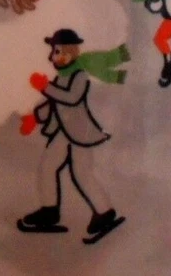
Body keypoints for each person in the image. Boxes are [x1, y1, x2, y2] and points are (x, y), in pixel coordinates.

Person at [17, 29, 129, 244]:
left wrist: (45, 87)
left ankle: (104, 212)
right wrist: (35, 117)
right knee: (48, 166)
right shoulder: (62, 77)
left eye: (57, 51)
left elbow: (71, 98)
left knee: (81, 173)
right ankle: (49, 211)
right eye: (53, 51)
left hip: (79, 134)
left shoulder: (79, 76)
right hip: (63, 132)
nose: (52, 56)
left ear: (70, 52)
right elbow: (54, 104)